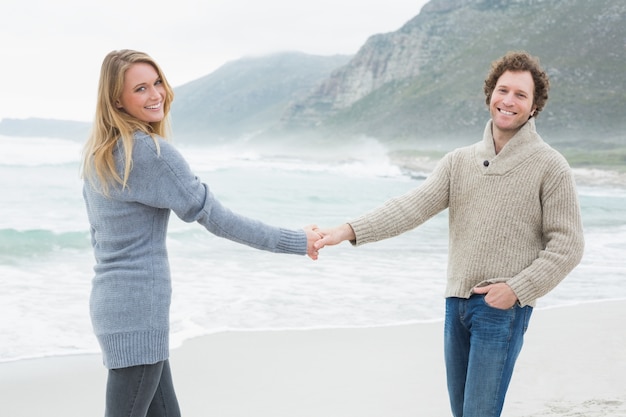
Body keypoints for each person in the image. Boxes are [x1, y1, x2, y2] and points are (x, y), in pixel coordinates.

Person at [313, 51, 585, 417]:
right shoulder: (459, 162)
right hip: (454, 306)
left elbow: (568, 245)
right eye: (502, 90)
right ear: (490, 94)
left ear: (535, 106)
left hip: (501, 311)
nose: (508, 101)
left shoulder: (550, 166)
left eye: (521, 94)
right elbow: (411, 207)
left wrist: (516, 290)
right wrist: (347, 230)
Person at [81, 49, 321, 417]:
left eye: (157, 82)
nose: (156, 94)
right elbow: (218, 218)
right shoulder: (149, 153)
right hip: (139, 311)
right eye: (141, 89)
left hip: (112, 306)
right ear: (118, 100)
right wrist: (297, 240)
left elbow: (101, 239)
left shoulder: (100, 156)